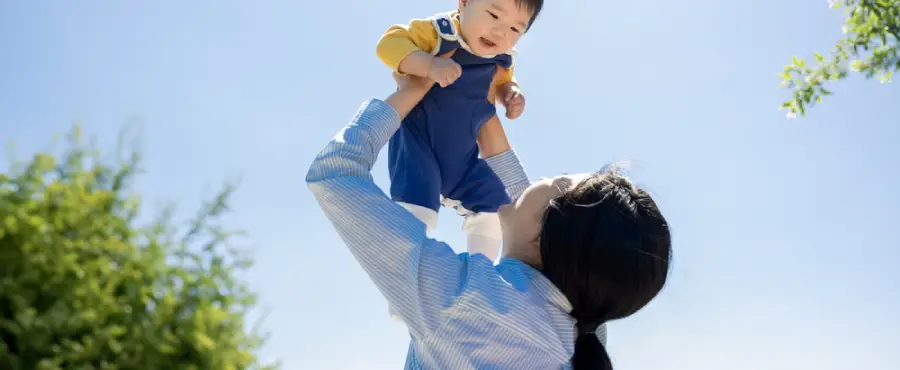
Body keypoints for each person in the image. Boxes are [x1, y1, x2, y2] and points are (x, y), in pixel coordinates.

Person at [306, 72, 672, 369]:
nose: (543, 180)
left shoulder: (462, 302)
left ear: (541, 236)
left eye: (559, 181)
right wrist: (479, 108)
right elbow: (530, 211)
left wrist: (408, 93)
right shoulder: (583, 332)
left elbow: (335, 174)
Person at [375, 0, 543, 260]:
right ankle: (405, 271)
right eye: (493, 14)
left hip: (463, 158)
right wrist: (428, 64)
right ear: (464, 3)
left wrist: (510, 93)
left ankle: (480, 271)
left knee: (495, 205)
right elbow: (389, 44)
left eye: (514, 28)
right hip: (419, 146)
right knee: (417, 209)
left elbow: (502, 81)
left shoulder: (501, 59)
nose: (499, 32)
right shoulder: (439, 33)